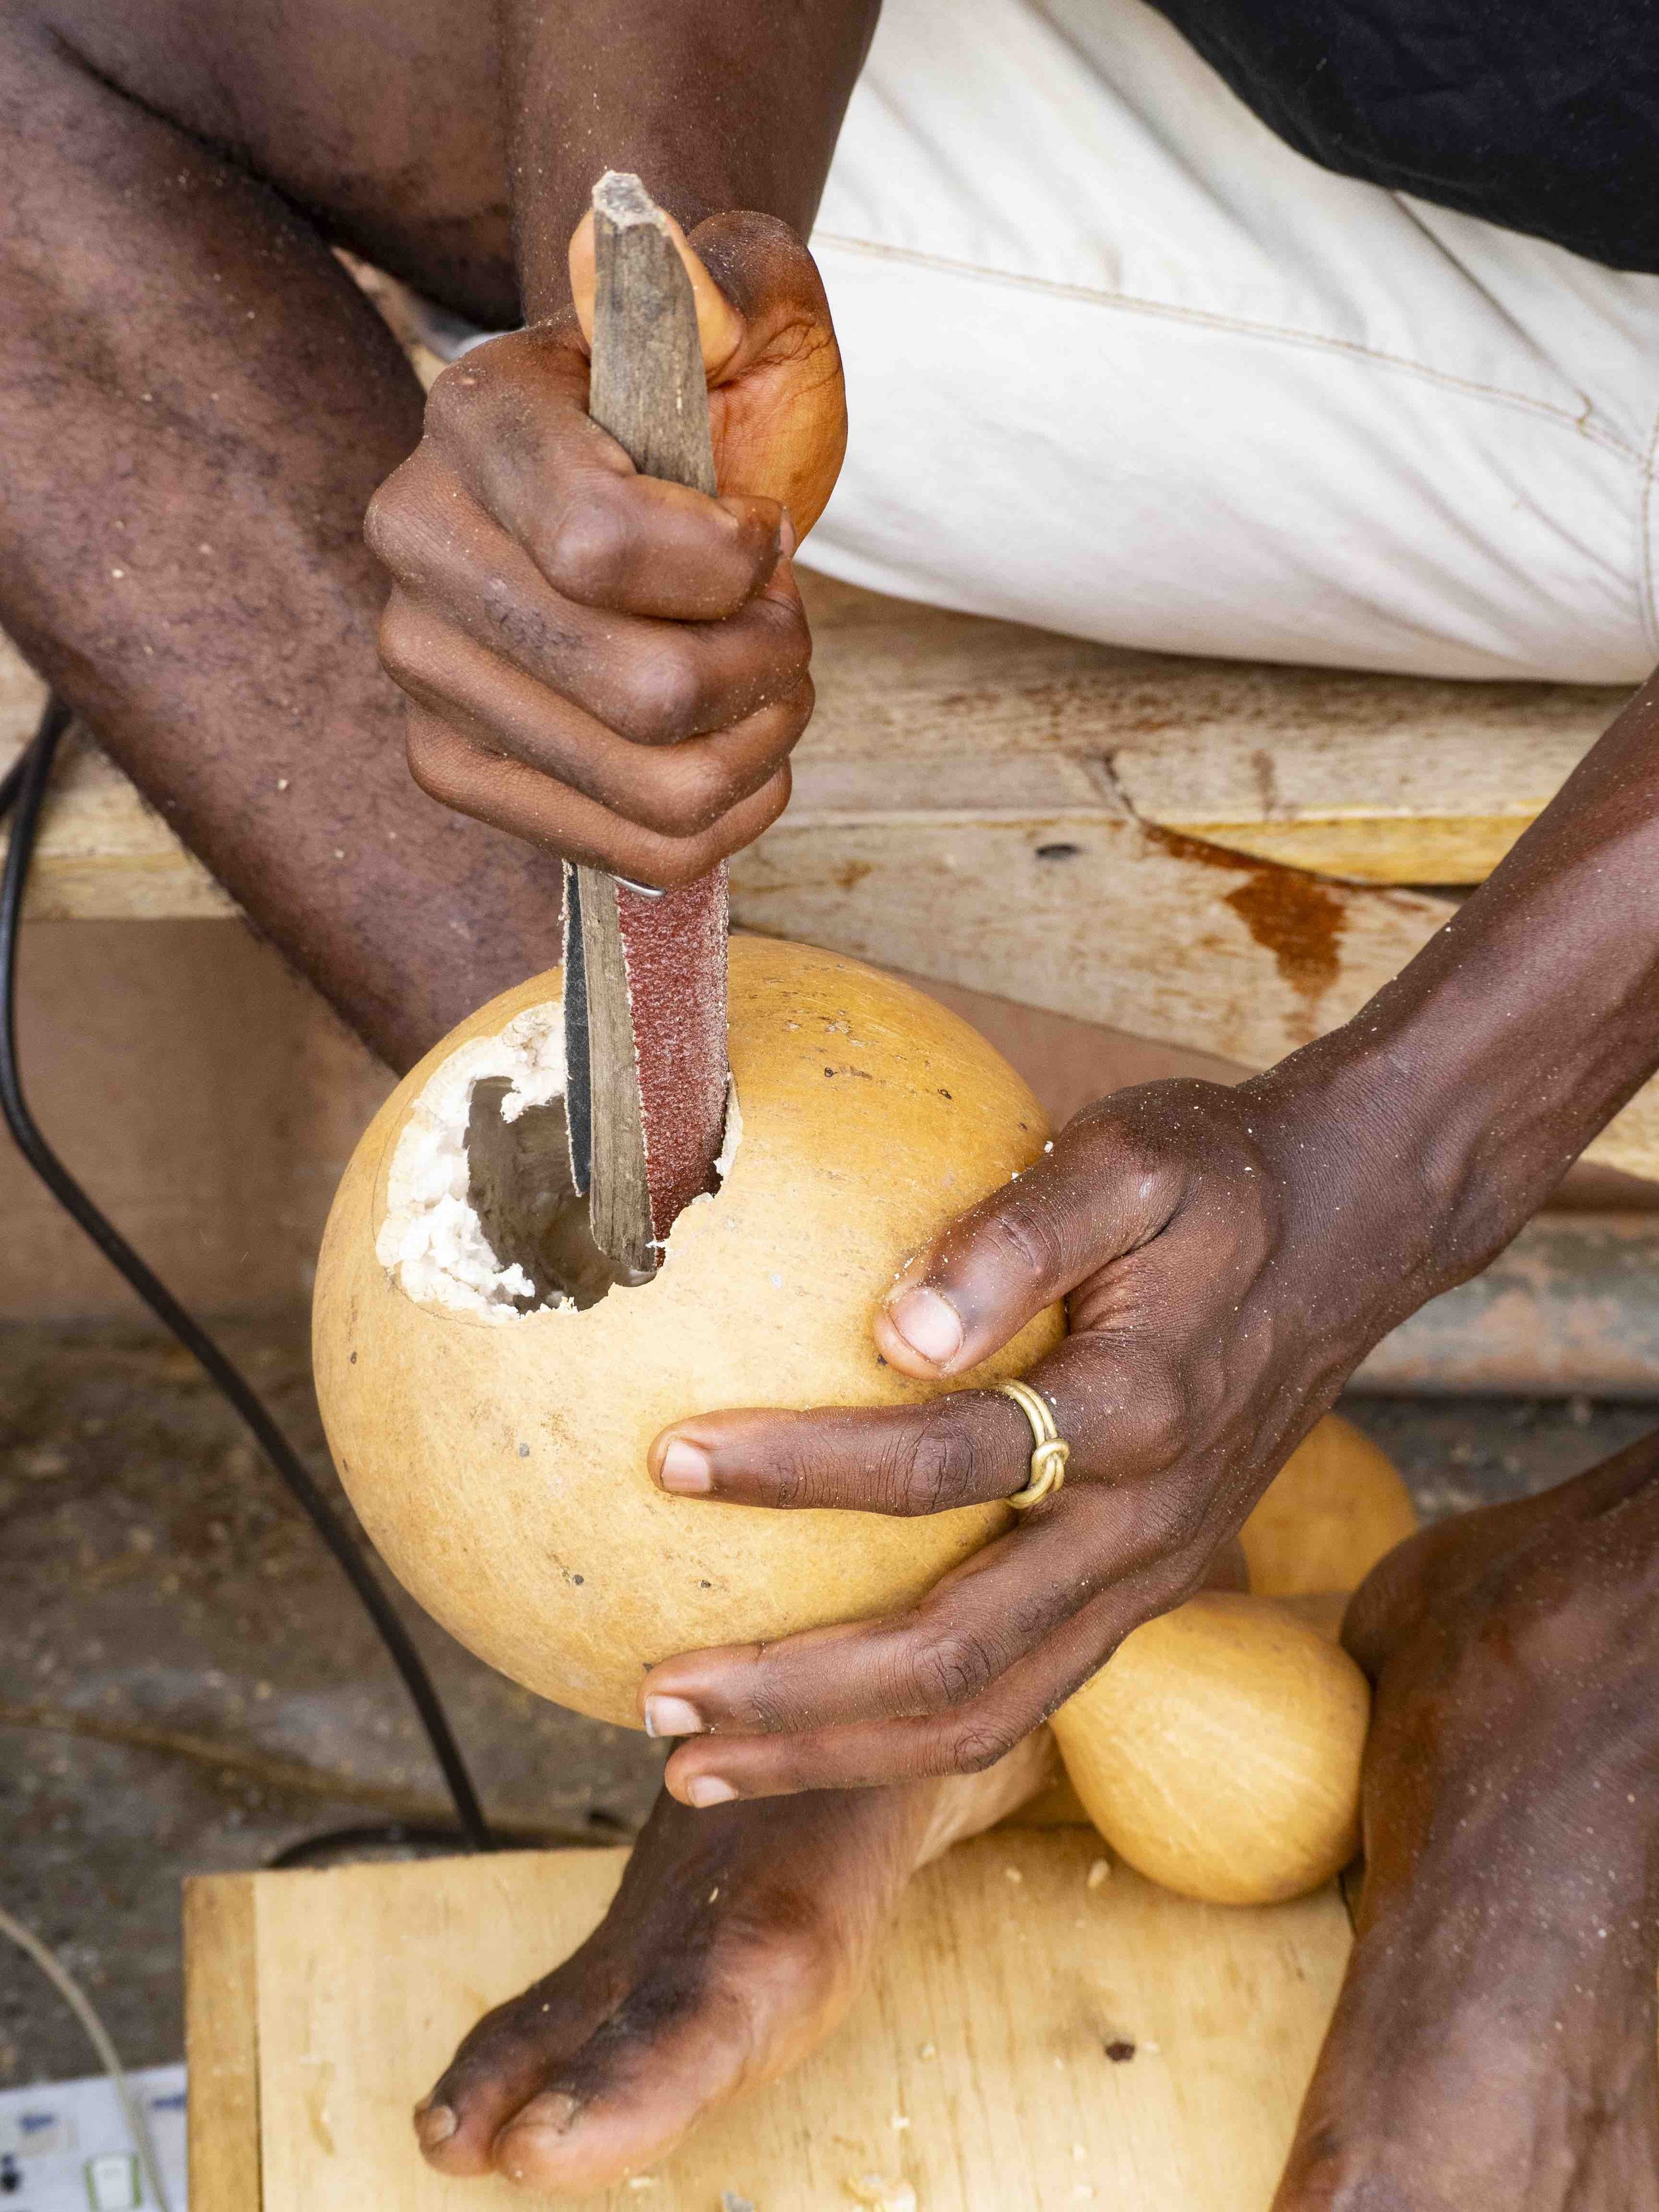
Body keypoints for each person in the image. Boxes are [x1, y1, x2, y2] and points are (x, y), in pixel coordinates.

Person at [3, 0, 1658, 2201]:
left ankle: (1609, 1638)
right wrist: (658, 319)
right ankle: (847, 1513)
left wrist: (1401, 1149)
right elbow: (656, 257)